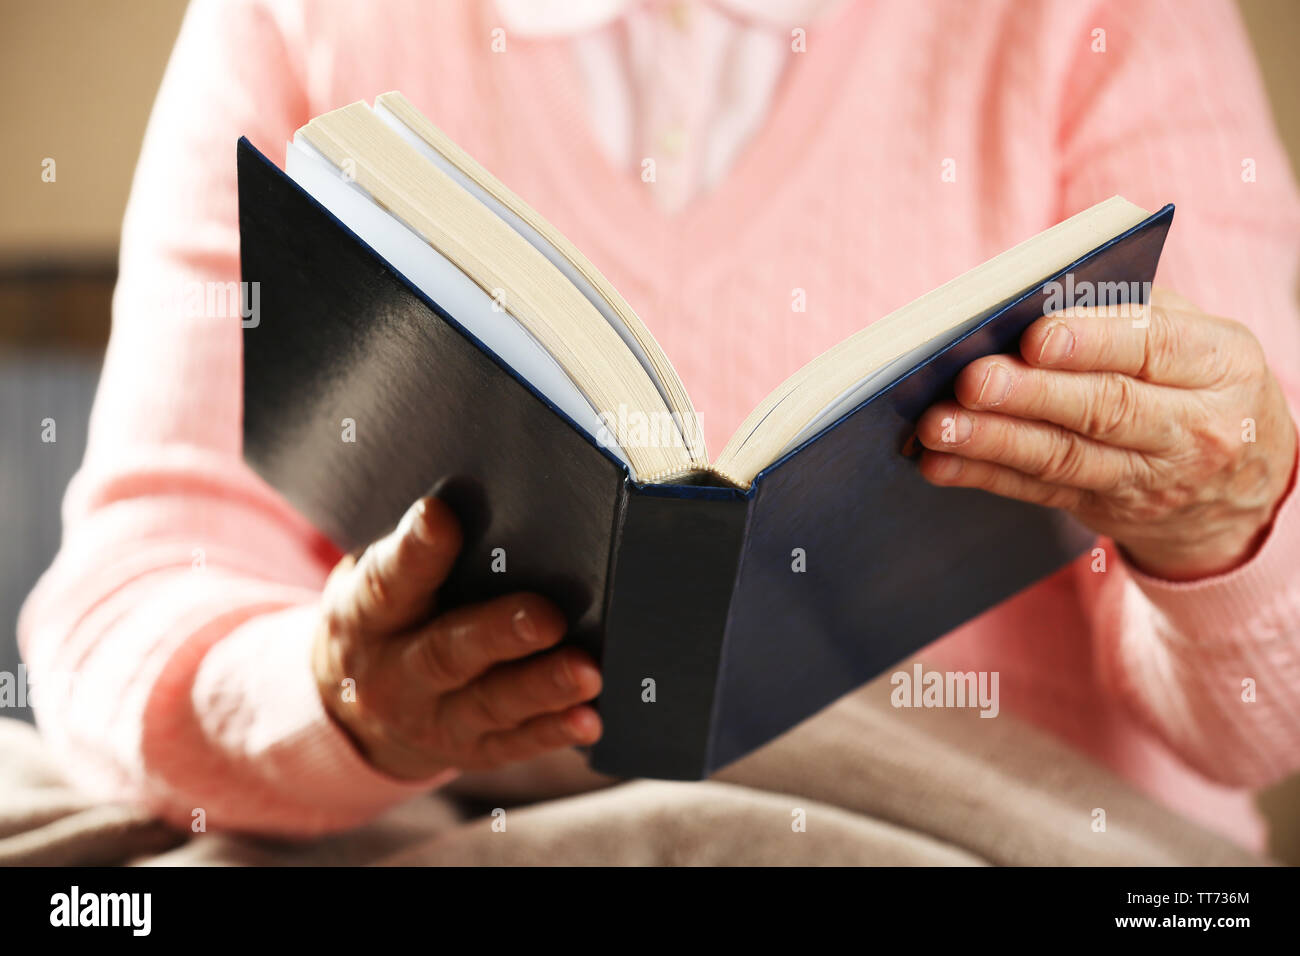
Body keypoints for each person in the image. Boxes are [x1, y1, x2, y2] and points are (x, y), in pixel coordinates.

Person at [19, 0, 1300, 849]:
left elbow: (1259, 722)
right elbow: (125, 599)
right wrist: (335, 699)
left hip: (988, 828)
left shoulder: (1106, 19)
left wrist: (1228, 521)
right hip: (467, 826)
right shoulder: (301, 18)